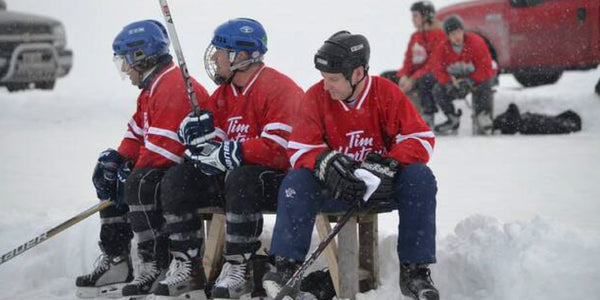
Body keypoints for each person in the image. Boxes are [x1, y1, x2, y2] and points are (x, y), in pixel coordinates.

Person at [262, 31, 440, 300]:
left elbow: (420, 138)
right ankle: (286, 267)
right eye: (323, 78)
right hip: (336, 191)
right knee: (296, 181)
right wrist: (324, 162)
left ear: (357, 74)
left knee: (420, 177)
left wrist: (391, 163)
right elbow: (298, 149)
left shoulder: (386, 92)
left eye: (333, 79)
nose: (326, 86)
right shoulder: (315, 97)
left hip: (380, 190)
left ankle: (415, 271)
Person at [75, 20, 211, 300]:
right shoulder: (151, 89)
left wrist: (130, 173)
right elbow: (136, 134)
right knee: (109, 175)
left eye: (125, 61)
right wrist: (118, 160)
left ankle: (155, 263)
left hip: (191, 173)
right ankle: (116, 260)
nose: (124, 70)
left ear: (141, 56)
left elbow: (165, 150)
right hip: (168, 168)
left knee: (137, 181)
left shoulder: (174, 86)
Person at [173, 18, 303, 299]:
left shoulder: (281, 89)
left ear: (240, 56)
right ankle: (187, 266)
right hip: (233, 183)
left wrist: (235, 152)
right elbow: (215, 145)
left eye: (219, 52)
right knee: (178, 177)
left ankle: (239, 267)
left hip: (276, 184)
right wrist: (197, 144)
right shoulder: (221, 95)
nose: (214, 58)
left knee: (241, 176)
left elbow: (281, 149)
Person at [431, 15, 496, 135]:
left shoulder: (476, 42)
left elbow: (486, 67)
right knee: (437, 90)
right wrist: (448, 81)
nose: (456, 37)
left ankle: (483, 115)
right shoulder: (441, 48)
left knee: (486, 83)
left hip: (475, 80)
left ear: (462, 31)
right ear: (448, 36)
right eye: (452, 34)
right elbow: (437, 69)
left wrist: (470, 80)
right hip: (455, 83)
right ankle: (452, 118)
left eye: (458, 32)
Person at [397, 1, 446, 127]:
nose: (412, 19)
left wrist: (412, 79)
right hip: (415, 75)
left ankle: (428, 115)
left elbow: (433, 63)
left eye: (415, 16)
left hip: (434, 74)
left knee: (425, 80)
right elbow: (408, 60)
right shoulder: (415, 36)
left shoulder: (440, 35)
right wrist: (404, 75)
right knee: (387, 78)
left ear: (426, 16)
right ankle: (393, 116)